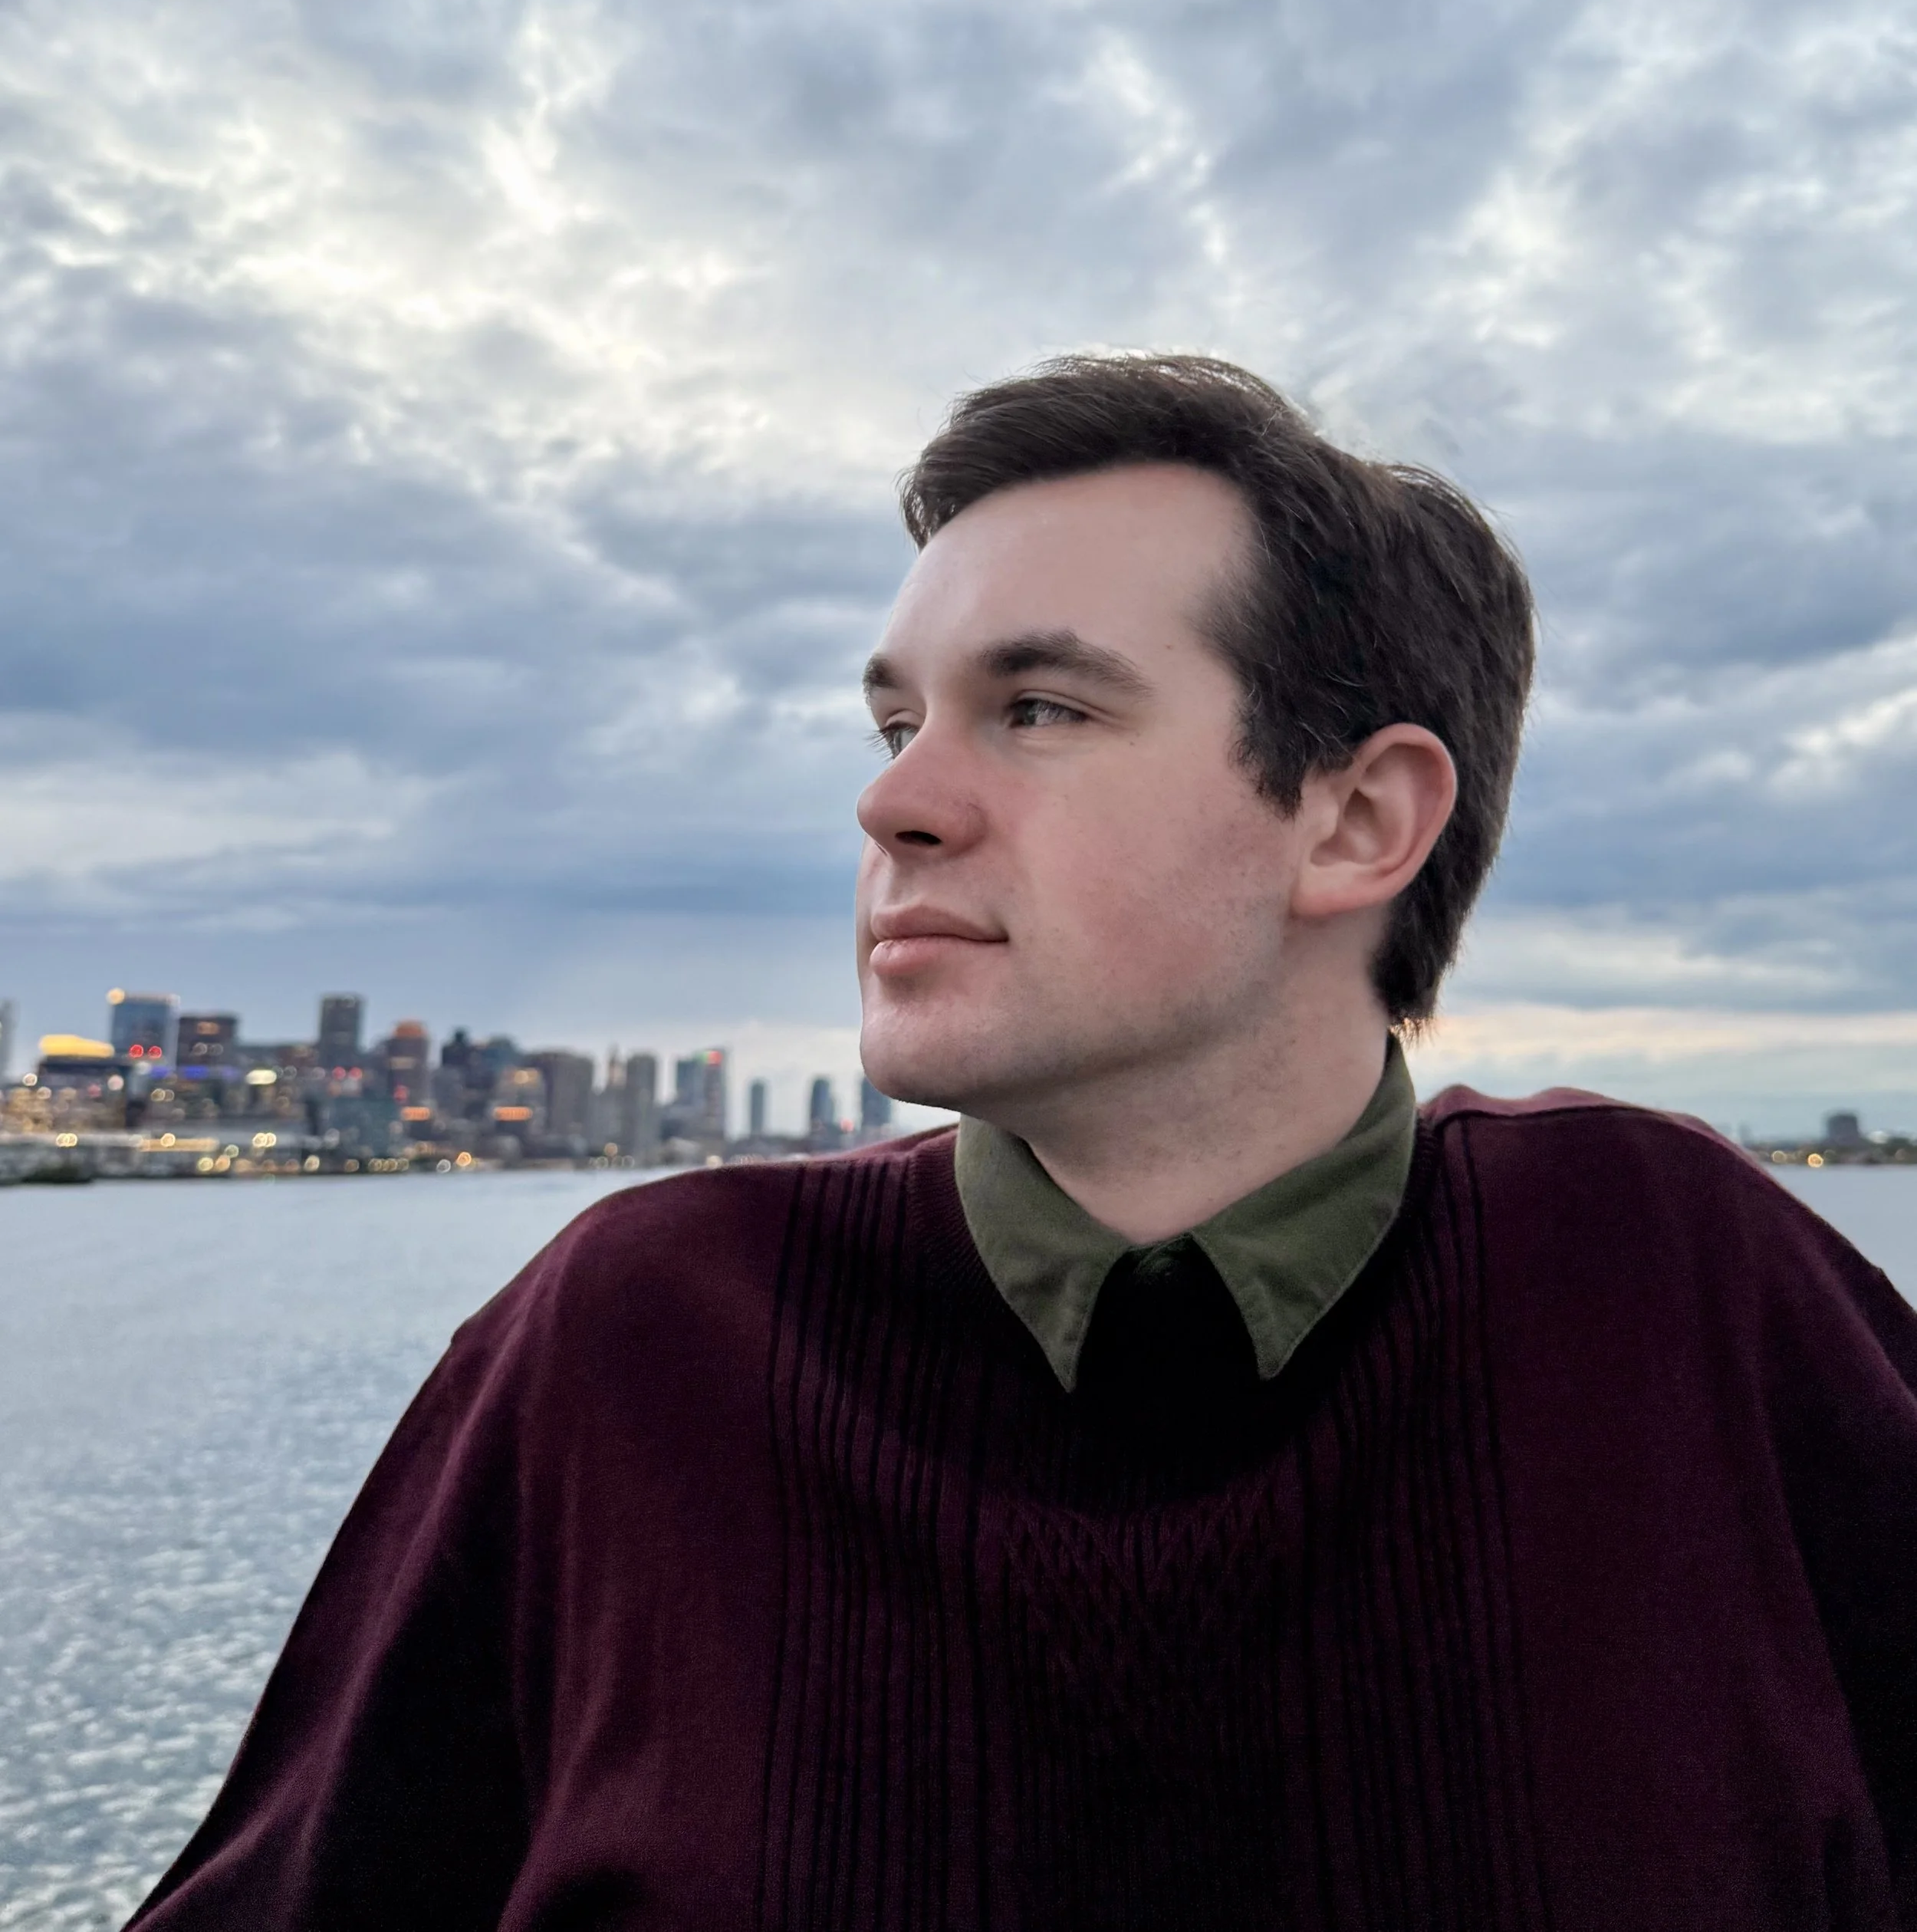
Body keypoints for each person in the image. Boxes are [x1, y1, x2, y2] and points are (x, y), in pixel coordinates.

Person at [130, 354, 1917, 1932]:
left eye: (1038, 708)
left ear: (1355, 817)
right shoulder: (633, 1341)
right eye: (897, 717)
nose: (892, 796)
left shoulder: (1668, 1284)